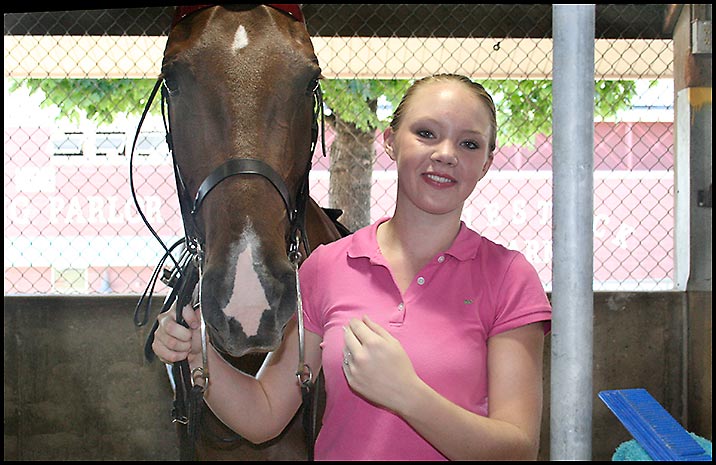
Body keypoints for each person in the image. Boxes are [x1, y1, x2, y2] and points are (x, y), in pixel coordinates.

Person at [153, 73, 552, 461]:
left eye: (469, 143)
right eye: (426, 133)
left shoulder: (509, 277)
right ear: (391, 141)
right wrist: (195, 353)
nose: (446, 154)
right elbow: (265, 413)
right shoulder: (326, 267)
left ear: (485, 163)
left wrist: (406, 393)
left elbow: (517, 450)